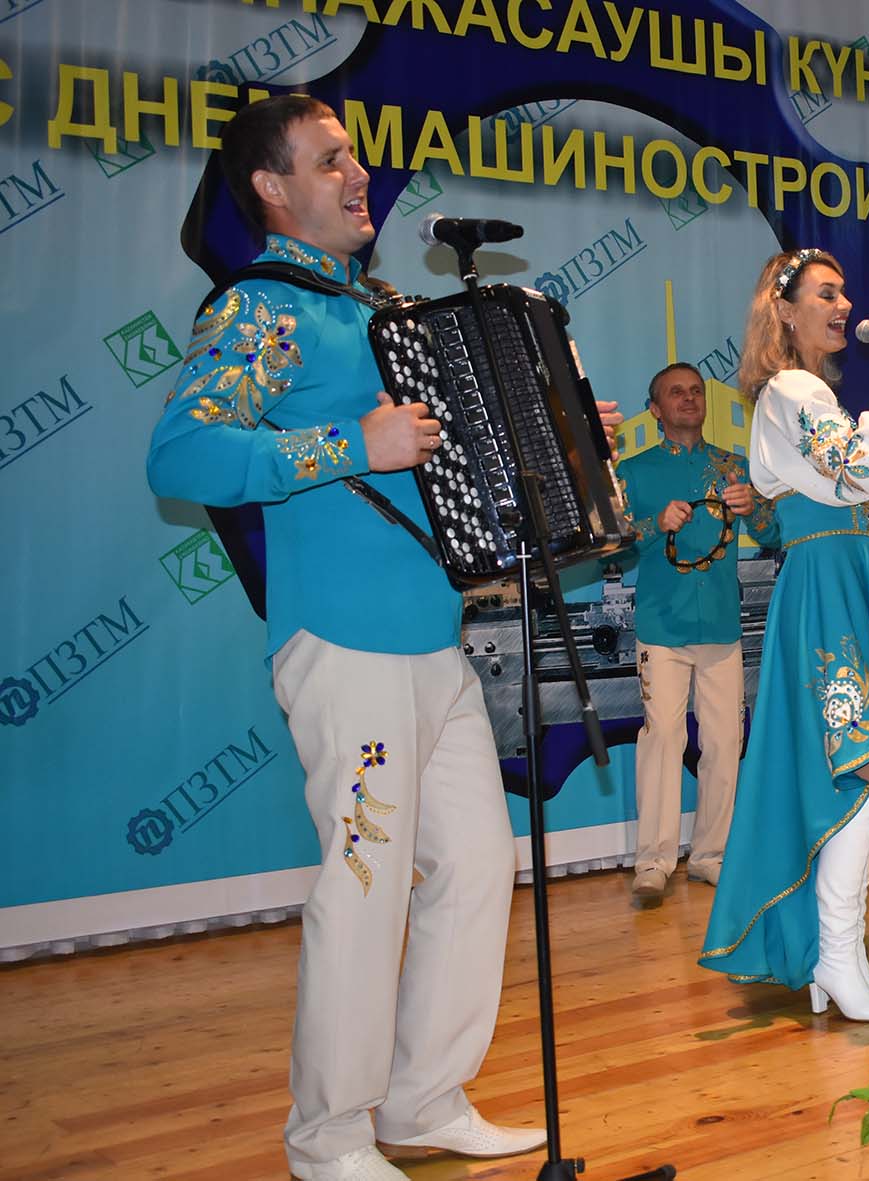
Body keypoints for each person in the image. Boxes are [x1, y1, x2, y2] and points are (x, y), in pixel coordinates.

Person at [145, 96, 621, 1181]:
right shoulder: (262, 310)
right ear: (272, 187)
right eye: (329, 160)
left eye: (354, 156)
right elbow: (181, 457)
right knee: (365, 881)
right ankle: (328, 1136)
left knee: (476, 864)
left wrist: (552, 431)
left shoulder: (382, 307)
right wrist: (347, 444)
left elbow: (449, 457)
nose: (359, 174)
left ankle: (423, 1097)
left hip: (432, 640)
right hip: (342, 639)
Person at [698, 248, 869, 1021]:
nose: (844, 307)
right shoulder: (793, 389)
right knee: (866, 762)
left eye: (844, 293)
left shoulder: (802, 395)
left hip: (837, 572)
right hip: (828, 582)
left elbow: (856, 485)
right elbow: (863, 473)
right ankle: (835, 954)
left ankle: (839, 954)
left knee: (861, 763)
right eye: (826, 294)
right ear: (784, 309)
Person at [614, 362, 779, 899]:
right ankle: (653, 863)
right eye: (674, 393)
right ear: (655, 410)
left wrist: (755, 509)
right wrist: (651, 525)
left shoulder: (733, 467)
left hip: (722, 629)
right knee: (663, 739)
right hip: (662, 629)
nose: (688, 399)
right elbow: (611, 547)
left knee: (726, 741)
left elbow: (772, 531)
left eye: (695, 391)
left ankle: (712, 855)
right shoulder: (633, 472)